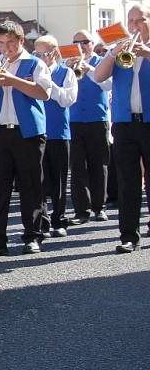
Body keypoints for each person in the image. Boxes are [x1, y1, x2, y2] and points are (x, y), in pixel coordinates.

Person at [0, 20, 52, 258]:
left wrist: (12, 81)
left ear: (21, 41)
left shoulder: (35, 63)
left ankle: (32, 236)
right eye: (1, 43)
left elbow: (44, 93)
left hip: (27, 132)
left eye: (10, 43)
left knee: (31, 186)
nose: (6, 48)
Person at [93, 4, 150, 253]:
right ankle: (129, 236)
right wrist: (112, 53)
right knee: (128, 181)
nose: (135, 25)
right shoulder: (121, 49)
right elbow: (98, 76)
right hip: (124, 123)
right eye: (131, 20)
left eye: (140, 20)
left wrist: (146, 52)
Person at [34, 35, 78, 238]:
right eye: (38, 54)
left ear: (55, 52)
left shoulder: (66, 72)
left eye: (46, 53)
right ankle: (42, 223)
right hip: (37, 132)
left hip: (59, 133)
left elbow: (67, 100)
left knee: (59, 181)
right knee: (39, 181)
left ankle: (59, 220)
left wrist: (48, 84)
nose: (42, 57)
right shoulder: (33, 71)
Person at [67, 29, 112, 225]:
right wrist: (69, 69)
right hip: (74, 120)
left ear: (93, 44)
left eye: (85, 41)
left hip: (97, 119)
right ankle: (81, 210)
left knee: (99, 165)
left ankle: (99, 207)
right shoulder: (67, 64)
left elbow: (108, 85)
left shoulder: (101, 62)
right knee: (77, 167)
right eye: (77, 42)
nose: (81, 45)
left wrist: (89, 70)